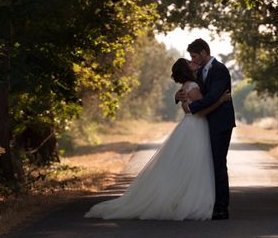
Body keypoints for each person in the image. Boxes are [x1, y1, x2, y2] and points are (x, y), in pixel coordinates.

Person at [84, 58, 230, 220]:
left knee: (190, 164)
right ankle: (191, 202)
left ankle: (185, 198)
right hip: (196, 127)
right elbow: (200, 112)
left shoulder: (186, 87)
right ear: (187, 70)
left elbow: (187, 108)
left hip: (192, 126)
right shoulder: (193, 88)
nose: (193, 62)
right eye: (189, 62)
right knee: (196, 164)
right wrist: (221, 101)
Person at [176, 38, 236, 220]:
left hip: (220, 123)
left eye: (194, 56)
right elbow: (189, 87)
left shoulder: (220, 70)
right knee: (206, 164)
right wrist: (178, 96)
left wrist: (190, 109)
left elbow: (212, 96)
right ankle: (207, 202)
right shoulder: (200, 70)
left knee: (218, 163)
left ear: (204, 52)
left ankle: (221, 207)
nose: (193, 60)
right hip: (204, 122)